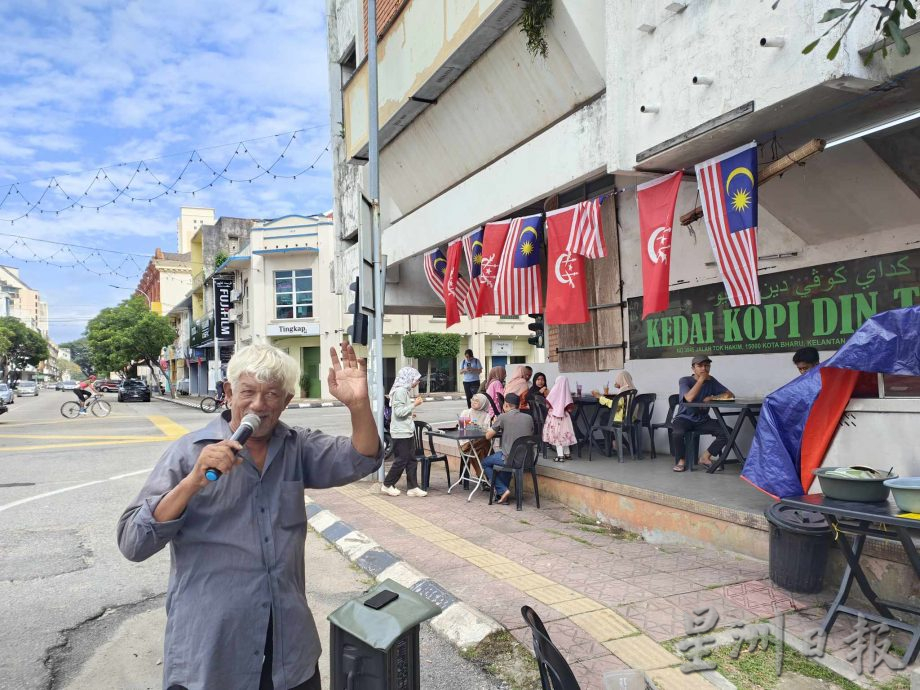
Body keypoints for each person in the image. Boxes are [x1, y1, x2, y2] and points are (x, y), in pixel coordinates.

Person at [116, 343, 382, 690]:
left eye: (272, 395)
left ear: (286, 402)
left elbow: (361, 458)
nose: (259, 405)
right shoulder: (189, 452)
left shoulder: (296, 446)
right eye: (248, 392)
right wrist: (192, 482)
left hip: (289, 649)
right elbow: (133, 542)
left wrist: (359, 405)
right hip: (212, 650)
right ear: (228, 393)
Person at [672, 355, 733, 472]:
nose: (704, 369)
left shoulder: (712, 381)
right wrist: (700, 380)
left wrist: (712, 397)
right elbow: (688, 398)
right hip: (684, 418)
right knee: (677, 433)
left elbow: (730, 394)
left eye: (707, 366)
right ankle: (681, 460)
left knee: (727, 432)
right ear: (693, 369)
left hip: (703, 419)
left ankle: (705, 457)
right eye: (700, 366)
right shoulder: (685, 380)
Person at [382, 366, 426, 497]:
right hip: (400, 432)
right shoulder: (401, 391)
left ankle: (413, 487)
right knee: (401, 460)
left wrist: (409, 414)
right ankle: (387, 484)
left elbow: (399, 412)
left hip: (406, 430)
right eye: (416, 379)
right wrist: (414, 404)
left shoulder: (404, 391)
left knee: (411, 459)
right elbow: (399, 412)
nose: (417, 382)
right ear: (409, 378)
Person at [483, 392, 535, 504]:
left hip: (511, 460)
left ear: (506, 405)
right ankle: (502, 496)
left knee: (486, 462)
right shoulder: (529, 417)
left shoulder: (503, 417)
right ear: (519, 405)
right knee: (505, 456)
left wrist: (495, 423)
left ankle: (502, 490)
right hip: (528, 459)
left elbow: (488, 436)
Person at [459, 393, 495, 477]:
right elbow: (463, 428)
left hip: (479, 444)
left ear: (483, 403)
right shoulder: (466, 412)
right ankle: (488, 477)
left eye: (477, 401)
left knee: (480, 450)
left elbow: (486, 430)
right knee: (485, 443)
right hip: (466, 444)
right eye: (472, 399)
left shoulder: (486, 415)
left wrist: (473, 427)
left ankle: (484, 477)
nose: (473, 402)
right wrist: (478, 428)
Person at [542, 376, 577, 462]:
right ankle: (567, 453)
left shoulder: (553, 392)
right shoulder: (567, 393)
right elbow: (569, 408)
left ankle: (560, 456)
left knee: (557, 436)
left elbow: (547, 404)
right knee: (565, 435)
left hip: (554, 418)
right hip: (565, 418)